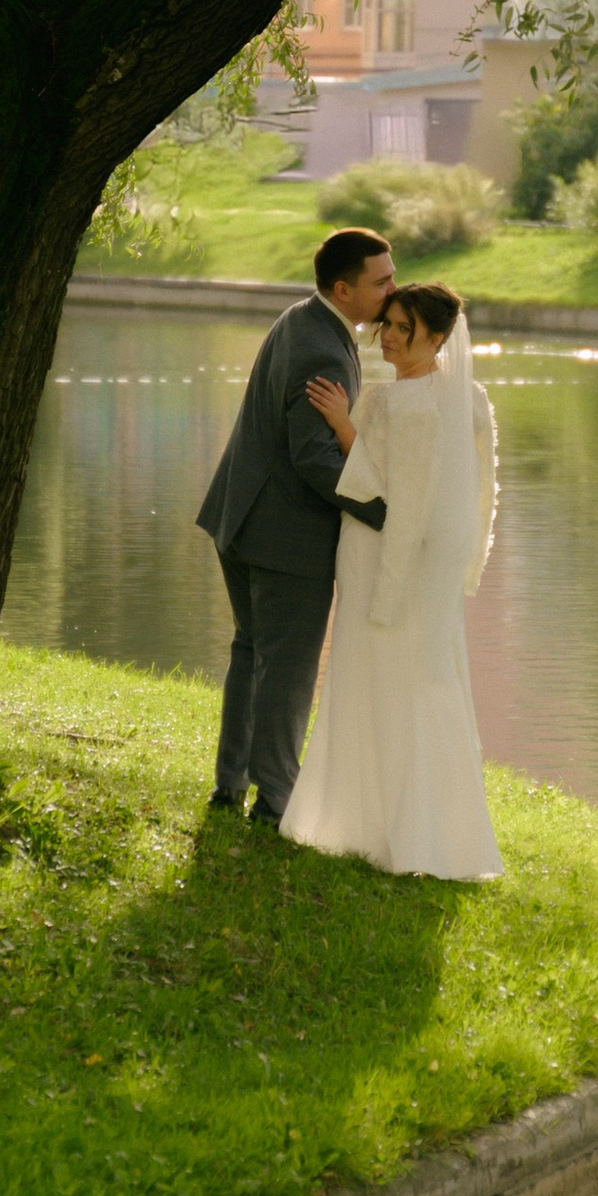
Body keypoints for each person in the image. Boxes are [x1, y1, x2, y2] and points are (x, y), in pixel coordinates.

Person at [284, 280, 502, 881]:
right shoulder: (468, 399)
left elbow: (385, 489)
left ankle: (387, 829)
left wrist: (340, 423)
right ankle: (405, 827)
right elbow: (470, 490)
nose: (390, 337)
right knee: (412, 678)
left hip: (385, 554)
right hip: (413, 562)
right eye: (389, 325)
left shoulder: (398, 404)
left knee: (391, 677)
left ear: (436, 338)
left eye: (405, 329)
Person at [196, 227, 396, 824]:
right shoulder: (324, 350)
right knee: (287, 667)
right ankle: (276, 799)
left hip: (241, 514)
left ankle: (231, 785)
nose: (392, 288)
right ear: (345, 288)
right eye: (381, 281)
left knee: (253, 650)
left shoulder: (302, 318)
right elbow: (314, 456)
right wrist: (385, 511)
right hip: (285, 535)